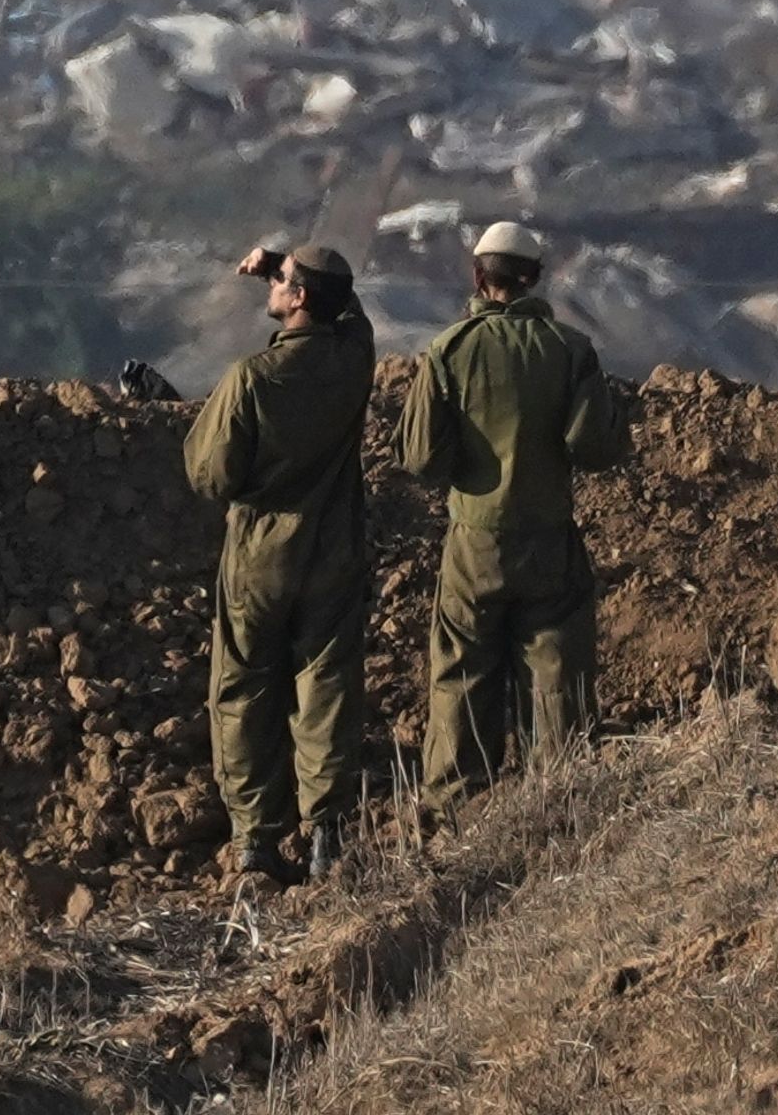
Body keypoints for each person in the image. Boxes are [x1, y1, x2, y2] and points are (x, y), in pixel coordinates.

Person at [398, 218, 631, 815]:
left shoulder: (449, 350)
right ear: (535, 280)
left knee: (462, 670)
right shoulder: (571, 350)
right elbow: (595, 448)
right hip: (549, 534)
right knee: (555, 667)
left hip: (475, 540)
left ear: (480, 277)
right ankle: (559, 802)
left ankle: (455, 809)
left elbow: (421, 456)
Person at [183, 241, 376, 884]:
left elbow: (211, 475)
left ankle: (254, 844)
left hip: (261, 555)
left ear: (296, 299)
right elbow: (352, 315)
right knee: (325, 684)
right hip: (336, 549)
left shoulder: (252, 378)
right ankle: (325, 835)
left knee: (242, 689)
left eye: (283, 281)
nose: (273, 286)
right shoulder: (353, 360)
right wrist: (286, 268)